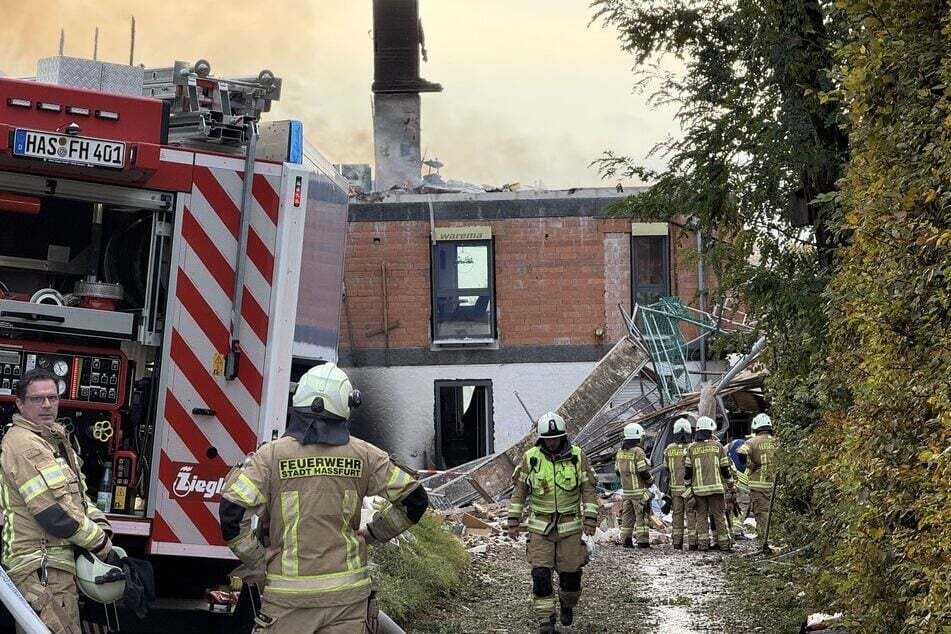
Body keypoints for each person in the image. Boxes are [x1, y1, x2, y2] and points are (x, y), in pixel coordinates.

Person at [218, 363, 429, 633]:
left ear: (299, 400)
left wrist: (260, 560)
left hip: (287, 602)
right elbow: (415, 500)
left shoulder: (270, 457)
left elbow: (232, 515)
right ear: (346, 405)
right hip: (348, 601)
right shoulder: (365, 454)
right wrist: (374, 533)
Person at [1, 368, 115, 633]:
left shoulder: (52, 440)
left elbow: (80, 500)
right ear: (19, 403)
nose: (47, 405)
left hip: (53, 567)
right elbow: (54, 514)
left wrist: (102, 527)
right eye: (37, 399)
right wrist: (102, 545)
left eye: (52, 398)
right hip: (41, 568)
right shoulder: (24, 444)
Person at [506, 412, 599, 633]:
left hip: (570, 527)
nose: (552, 442)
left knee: (571, 576)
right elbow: (519, 492)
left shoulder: (577, 456)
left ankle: (567, 604)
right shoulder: (531, 458)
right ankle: (546, 621)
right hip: (540, 528)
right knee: (540, 575)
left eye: (556, 438)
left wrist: (590, 519)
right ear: (541, 439)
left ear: (563, 436)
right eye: (548, 439)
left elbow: (588, 489)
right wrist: (513, 521)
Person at [683, 416, 735, 552]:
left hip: (699, 490)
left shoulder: (691, 448)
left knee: (701, 516)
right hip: (717, 489)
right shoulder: (718, 446)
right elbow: (725, 469)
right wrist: (730, 484)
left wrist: (688, 485)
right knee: (719, 515)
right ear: (710, 431)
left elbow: (688, 471)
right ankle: (724, 545)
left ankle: (703, 545)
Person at [738, 413, 777, 545]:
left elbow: (741, 452)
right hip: (775, 483)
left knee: (761, 512)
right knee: (774, 511)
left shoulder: (751, 442)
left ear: (756, 428)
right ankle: (774, 536)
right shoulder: (776, 442)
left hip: (758, 485)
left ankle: (763, 540)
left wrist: (749, 464)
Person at [615, 422, 654, 548]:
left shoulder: (620, 452)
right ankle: (643, 542)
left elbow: (617, 471)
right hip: (639, 492)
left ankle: (626, 540)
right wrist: (650, 481)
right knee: (641, 516)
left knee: (627, 517)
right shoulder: (638, 451)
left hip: (627, 491)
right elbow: (643, 470)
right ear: (637, 437)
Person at [664, 418, 695, 550]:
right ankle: (693, 542)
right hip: (690, 489)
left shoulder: (669, 449)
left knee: (677, 515)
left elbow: (666, 468)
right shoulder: (691, 448)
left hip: (675, 489)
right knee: (692, 514)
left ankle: (677, 542)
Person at [726, 436, 751, 540]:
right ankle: (737, 532)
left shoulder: (729, 449)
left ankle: (733, 530)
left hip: (733, 484)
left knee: (733, 509)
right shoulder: (747, 449)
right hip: (744, 486)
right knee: (742, 508)